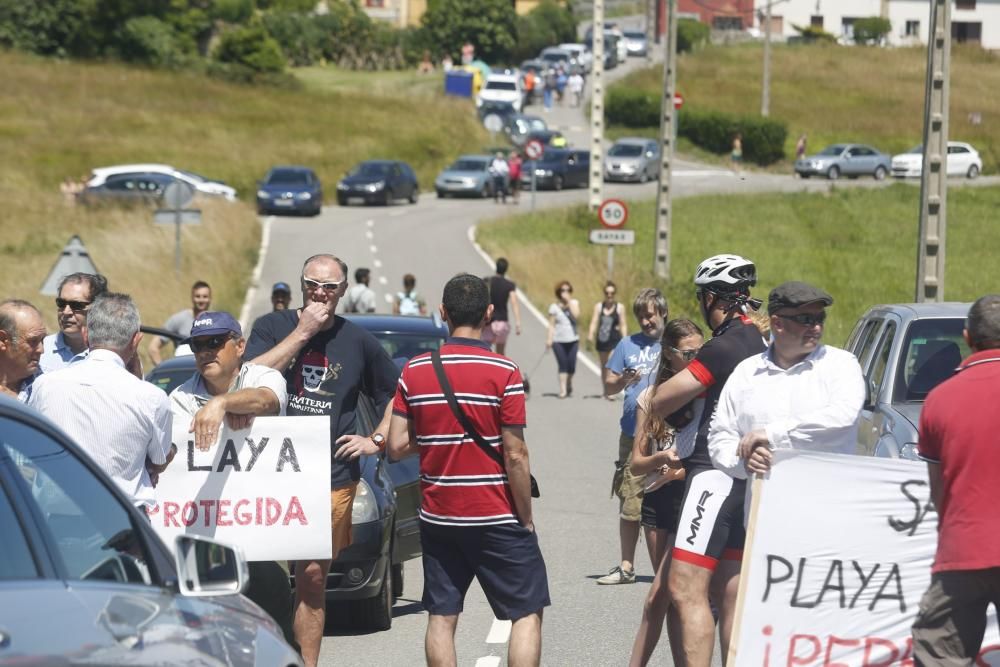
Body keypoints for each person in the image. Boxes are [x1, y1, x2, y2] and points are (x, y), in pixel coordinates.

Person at [385, 273, 549, 667]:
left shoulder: (415, 371)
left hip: (439, 514)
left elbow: (395, 446)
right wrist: (525, 517)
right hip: (496, 513)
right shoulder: (505, 371)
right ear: (490, 313)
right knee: (525, 612)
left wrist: (441, 436)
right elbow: (515, 454)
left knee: (442, 616)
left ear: (442, 312)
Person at [244, 253, 399, 667]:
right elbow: (248, 377)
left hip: (330, 477)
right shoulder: (271, 327)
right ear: (301, 285)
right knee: (262, 579)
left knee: (312, 576)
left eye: (330, 287)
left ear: (344, 290)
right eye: (313, 284)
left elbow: (395, 396)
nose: (321, 293)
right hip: (267, 475)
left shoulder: (358, 341)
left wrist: (376, 439)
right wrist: (303, 332)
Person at [647, 254, 766, 666]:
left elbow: (661, 400)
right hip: (745, 477)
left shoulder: (723, 347)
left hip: (711, 478)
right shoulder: (759, 341)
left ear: (712, 297)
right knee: (730, 593)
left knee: (684, 586)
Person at [168, 311, 296, 647]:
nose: (206, 351)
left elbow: (268, 400)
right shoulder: (179, 399)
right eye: (198, 345)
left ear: (240, 346)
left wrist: (223, 404)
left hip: (262, 541)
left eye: (215, 342)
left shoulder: (264, 375)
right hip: (207, 546)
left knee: (274, 638)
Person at [911, 294, 1000, 665]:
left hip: (962, 551)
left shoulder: (939, 400)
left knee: (939, 655)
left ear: (967, 337)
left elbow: (939, 491)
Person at [28, 293, 174, 509]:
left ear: (85, 335)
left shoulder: (44, 386)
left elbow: (33, 448)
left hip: (54, 526)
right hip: (124, 526)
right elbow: (159, 461)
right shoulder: (152, 398)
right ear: (136, 340)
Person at [708, 281, 864, 481]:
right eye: (806, 319)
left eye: (820, 319)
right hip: (765, 506)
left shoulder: (842, 365)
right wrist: (743, 461)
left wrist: (771, 434)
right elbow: (721, 436)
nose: (816, 327)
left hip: (827, 503)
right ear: (778, 324)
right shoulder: (746, 372)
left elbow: (843, 417)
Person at [629, 318, 705, 666]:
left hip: (693, 501)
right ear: (670, 354)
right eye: (689, 353)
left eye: (701, 351)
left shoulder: (709, 394)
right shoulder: (651, 397)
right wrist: (661, 458)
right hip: (658, 500)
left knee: (660, 596)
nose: (697, 359)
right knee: (669, 598)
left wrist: (682, 471)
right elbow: (636, 464)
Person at [597, 288, 668, 585]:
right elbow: (609, 387)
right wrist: (624, 379)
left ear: (663, 312)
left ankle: (670, 568)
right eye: (641, 316)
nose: (646, 321)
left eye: (650, 314)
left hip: (667, 433)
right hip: (632, 434)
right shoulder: (627, 344)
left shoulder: (675, 341)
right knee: (629, 496)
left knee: (668, 496)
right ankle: (627, 566)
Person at [40, 273, 109, 373]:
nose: (66, 312)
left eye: (76, 305)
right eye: (61, 303)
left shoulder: (112, 355)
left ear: (98, 308)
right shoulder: (39, 351)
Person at [148, 280, 212, 365]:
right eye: (198, 296)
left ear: (210, 298)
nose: (201, 300)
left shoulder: (217, 320)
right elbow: (153, 347)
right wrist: (164, 370)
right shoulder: (178, 319)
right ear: (192, 297)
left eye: (205, 296)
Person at [587, 281, 627, 399]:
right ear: (604, 293)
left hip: (614, 340)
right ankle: (605, 389)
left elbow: (623, 324)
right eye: (607, 293)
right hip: (602, 340)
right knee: (604, 366)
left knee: (611, 365)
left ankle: (610, 391)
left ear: (615, 294)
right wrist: (590, 334)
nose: (609, 295)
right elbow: (594, 321)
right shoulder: (599, 306)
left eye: (612, 293)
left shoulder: (620, 307)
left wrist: (625, 338)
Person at [0, 300, 46, 401]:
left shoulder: (49, 386)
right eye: (33, 341)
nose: (41, 350)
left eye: (42, 340)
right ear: (3, 340)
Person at [546, 280, 580, 399]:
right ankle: (563, 390)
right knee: (563, 365)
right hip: (558, 341)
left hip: (573, 339)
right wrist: (549, 339)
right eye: (563, 290)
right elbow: (551, 325)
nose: (565, 292)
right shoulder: (554, 307)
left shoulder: (574, 303)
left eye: (567, 290)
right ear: (558, 292)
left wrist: (569, 302)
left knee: (572, 366)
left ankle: (569, 382)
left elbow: (576, 316)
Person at [482, 258, 522, 356]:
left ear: (496, 266)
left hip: (488, 322)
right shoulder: (509, 285)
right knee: (500, 353)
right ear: (506, 269)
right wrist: (518, 323)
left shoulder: (487, 281)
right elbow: (514, 302)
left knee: (483, 351)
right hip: (502, 323)